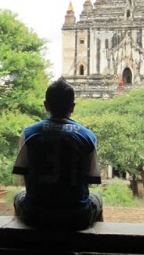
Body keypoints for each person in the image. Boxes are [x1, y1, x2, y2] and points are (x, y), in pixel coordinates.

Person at [12, 77, 104, 230]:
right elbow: (90, 178)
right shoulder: (88, 136)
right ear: (72, 107)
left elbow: (26, 176)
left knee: (18, 196)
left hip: (36, 215)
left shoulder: (29, 133)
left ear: (46, 105)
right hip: (77, 216)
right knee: (97, 199)